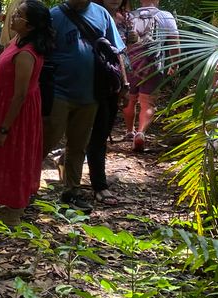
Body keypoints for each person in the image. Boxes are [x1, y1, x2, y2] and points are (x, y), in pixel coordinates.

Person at [0, 0, 54, 226]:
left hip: (16, 112)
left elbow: (21, 94)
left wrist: (5, 128)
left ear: (32, 26)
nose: (13, 16)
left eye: (20, 15)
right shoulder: (18, 40)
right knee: (2, 156)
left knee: (14, 156)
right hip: (2, 104)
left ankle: (14, 211)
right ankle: (6, 203)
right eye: (16, 12)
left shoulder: (27, 52)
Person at [42, 0, 126, 214]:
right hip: (59, 92)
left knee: (78, 145)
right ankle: (25, 188)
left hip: (90, 94)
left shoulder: (102, 15)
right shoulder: (54, 16)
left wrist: (123, 85)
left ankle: (71, 191)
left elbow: (115, 52)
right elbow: (40, 51)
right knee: (45, 142)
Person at [84, 0, 131, 204]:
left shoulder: (110, 17)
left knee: (99, 135)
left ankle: (99, 184)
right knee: (81, 134)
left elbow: (117, 52)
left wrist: (125, 86)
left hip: (107, 85)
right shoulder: (61, 14)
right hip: (79, 85)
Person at [122, 0, 178, 151]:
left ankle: (129, 132)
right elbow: (175, 43)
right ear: (157, 0)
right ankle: (140, 133)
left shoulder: (128, 16)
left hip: (129, 65)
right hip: (153, 65)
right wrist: (175, 63)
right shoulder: (166, 16)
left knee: (130, 98)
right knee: (147, 103)